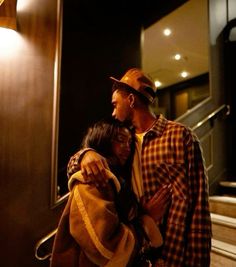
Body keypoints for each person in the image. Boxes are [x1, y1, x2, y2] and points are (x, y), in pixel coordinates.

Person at [67, 68, 212, 267]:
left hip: (174, 252)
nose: (113, 112)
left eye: (115, 104)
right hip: (136, 254)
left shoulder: (180, 136)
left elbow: (199, 208)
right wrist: (85, 154)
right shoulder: (119, 142)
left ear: (132, 100)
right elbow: (79, 170)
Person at [51, 117, 171, 267]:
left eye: (129, 143)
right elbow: (105, 247)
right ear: (103, 139)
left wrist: (143, 214)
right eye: (120, 140)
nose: (127, 147)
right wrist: (144, 228)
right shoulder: (93, 178)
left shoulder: (116, 179)